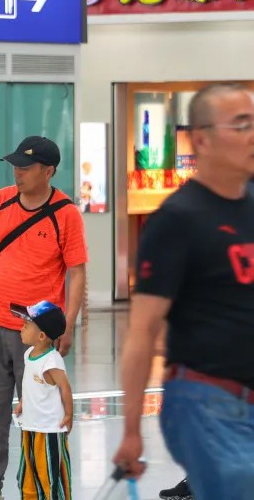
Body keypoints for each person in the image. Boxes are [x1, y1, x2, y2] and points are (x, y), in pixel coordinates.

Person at [113, 83, 254, 499]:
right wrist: (131, 430)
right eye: (241, 125)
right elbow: (142, 331)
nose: (252, 135)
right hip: (205, 402)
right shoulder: (177, 219)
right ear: (201, 139)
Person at [0, 136, 87, 500]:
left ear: (48, 171)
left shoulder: (66, 213)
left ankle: (40, 486)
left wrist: (68, 323)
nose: (17, 173)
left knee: (40, 411)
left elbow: (77, 272)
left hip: (38, 334)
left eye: (26, 167)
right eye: (15, 166)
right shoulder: (0, 201)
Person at [11, 300, 74, 500]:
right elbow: (30, 384)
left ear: (41, 336)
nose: (21, 328)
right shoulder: (29, 354)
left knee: (50, 476)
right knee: (28, 476)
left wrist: (69, 414)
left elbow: (65, 387)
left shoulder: (52, 361)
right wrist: (23, 403)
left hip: (49, 430)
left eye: (26, 325)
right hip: (30, 426)